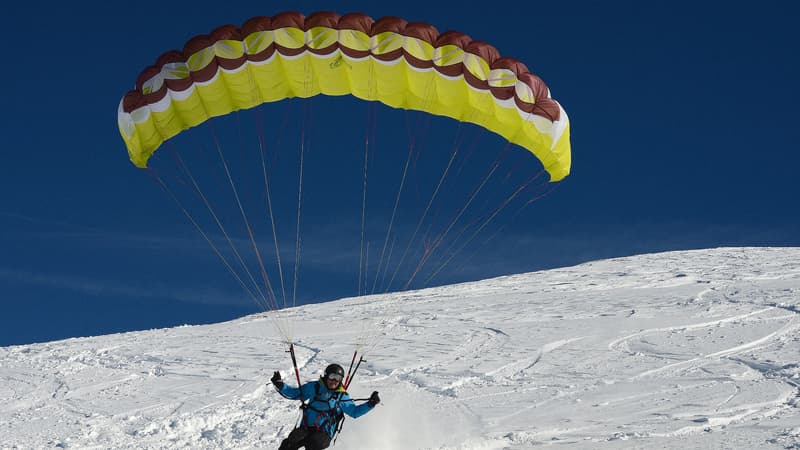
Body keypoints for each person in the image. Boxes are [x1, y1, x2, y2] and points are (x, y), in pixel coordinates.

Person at [272, 363, 380, 450]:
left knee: (314, 444)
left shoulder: (341, 396)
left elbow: (354, 412)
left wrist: (370, 404)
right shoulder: (314, 387)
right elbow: (295, 393)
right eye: (332, 376)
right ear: (326, 375)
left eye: (338, 378)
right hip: (306, 429)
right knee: (288, 444)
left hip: (324, 433)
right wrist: (280, 385)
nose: (334, 381)